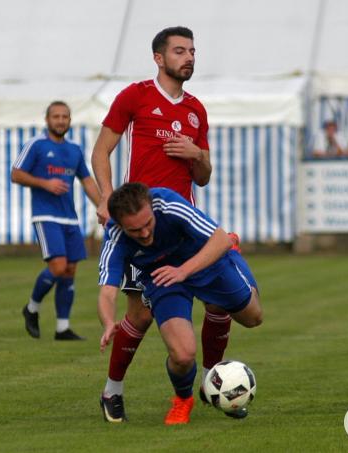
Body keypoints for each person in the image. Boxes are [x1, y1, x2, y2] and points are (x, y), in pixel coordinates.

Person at [91, 26, 238, 423]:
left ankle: (210, 380)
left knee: (219, 301)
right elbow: (101, 151)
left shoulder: (196, 111)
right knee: (140, 315)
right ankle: (112, 390)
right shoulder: (135, 97)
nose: (188, 57)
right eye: (179, 51)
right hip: (142, 231)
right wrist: (106, 196)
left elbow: (203, 176)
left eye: (192, 51)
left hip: (185, 229)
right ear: (158, 58)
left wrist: (196, 154)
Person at [98, 183, 263, 425]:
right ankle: (183, 399)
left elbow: (220, 239)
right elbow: (107, 291)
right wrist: (107, 322)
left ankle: (233, 261)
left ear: (152, 207)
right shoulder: (114, 236)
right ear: (120, 225)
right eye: (135, 230)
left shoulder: (167, 203)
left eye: (148, 224)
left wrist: (183, 270)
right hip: (163, 278)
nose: (145, 233)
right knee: (183, 355)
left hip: (203, 261)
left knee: (253, 317)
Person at [12, 101, 101, 340]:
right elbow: (16, 174)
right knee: (58, 266)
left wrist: (103, 207)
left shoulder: (74, 150)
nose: (60, 121)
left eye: (65, 117)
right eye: (56, 116)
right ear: (47, 120)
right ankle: (31, 308)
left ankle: (62, 328)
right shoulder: (36, 145)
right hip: (45, 215)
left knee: (70, 270)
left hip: (70, 218)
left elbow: (87, 181)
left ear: (70, 120)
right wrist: (45, 183)